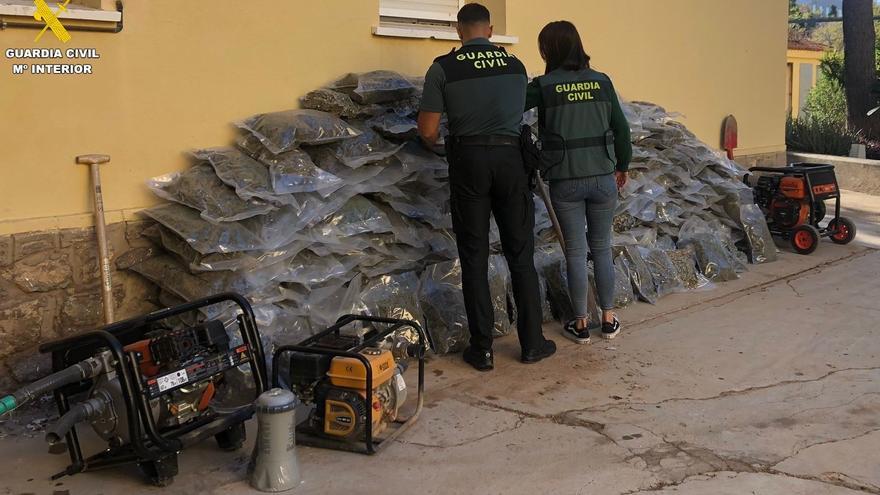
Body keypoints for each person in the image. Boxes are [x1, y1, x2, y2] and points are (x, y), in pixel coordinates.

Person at [417, 3, 556, 371]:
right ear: (491, 30)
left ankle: (482, 350)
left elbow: (429, 131)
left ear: (459, 30)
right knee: (520, 254)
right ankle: (531, 344)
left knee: (474, 257)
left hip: (469, 162)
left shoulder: (442, 68)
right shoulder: (516, 66)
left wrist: (442, 145)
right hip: (511, 161)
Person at [525, 21, 632, 344]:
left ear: (549, 50)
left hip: (565, 181)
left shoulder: (544, 85)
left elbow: (508, 103)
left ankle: (581, 324)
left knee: (575, 251)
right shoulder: (601, 82)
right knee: (601, 248)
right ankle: (609, 319)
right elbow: (622, 130)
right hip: (603, 178)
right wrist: (622, 165)